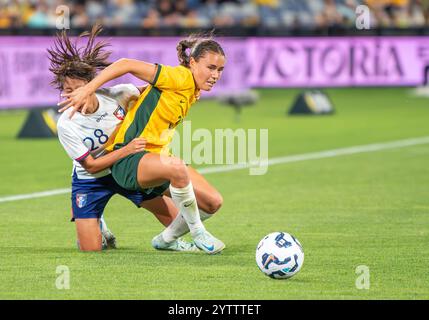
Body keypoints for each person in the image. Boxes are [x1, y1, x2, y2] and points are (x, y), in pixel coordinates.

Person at [59, 31, 227, 254]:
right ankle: (199, 233)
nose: (215, 75)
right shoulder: (179, 77)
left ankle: (165, 240)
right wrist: (88, 90)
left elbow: (147, 95)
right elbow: (126, 63)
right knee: (91, 249)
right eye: (211, 68)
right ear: (193, 62)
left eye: (220, 70)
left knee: (212, 202)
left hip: (150, 159)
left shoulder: (189, 90)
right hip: (120, 164)